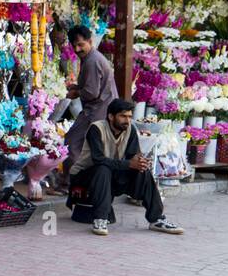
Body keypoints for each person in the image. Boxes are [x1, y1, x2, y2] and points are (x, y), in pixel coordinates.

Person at [66, 97, 184, 236]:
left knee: (142, 172)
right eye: (123, 116)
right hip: (84, 176)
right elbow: (98, 160)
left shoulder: (130, 130)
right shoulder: (96, 129)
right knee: (102, 169)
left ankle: (156, 219)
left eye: (129, 116)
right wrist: (129, 164)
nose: (127, 120)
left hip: (110, 175)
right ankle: (100, 219)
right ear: (111, 116)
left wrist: (140, 162)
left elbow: (132, 157)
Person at [63, 24, 118, 167]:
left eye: (81, 45)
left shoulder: (92, 61)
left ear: (90, 42)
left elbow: (92, 92)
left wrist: (76, 93)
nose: (77, 50)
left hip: (97, 111)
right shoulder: (91, 57)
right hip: (101, 109)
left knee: (72, 142)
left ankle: (70, 183)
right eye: (74, 46)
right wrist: (77, 87)